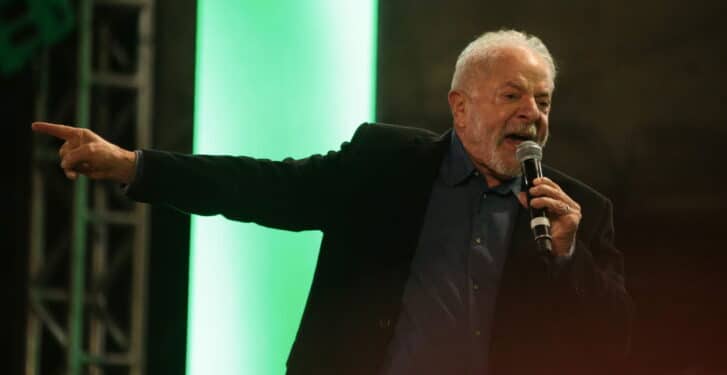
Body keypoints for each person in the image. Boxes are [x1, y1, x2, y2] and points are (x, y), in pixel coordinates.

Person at [33, 29, 632, 374]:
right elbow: (267, 187)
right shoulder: (385, 163)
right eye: (513, 96)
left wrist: (569, 258)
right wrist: (134, 165)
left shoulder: (578, 212)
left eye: (544, 101)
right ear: (460, 107)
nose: (533, 114)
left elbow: (618, 338)